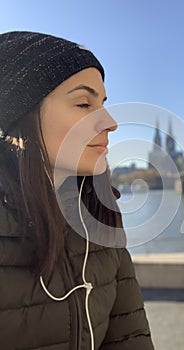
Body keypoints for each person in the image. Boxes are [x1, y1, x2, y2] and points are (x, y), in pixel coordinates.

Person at [0, 31, 154, 350]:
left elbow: (130, 334)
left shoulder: (102, 211)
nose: (110, 122)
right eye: (84, 103)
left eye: (103, 103)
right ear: (19, 118)